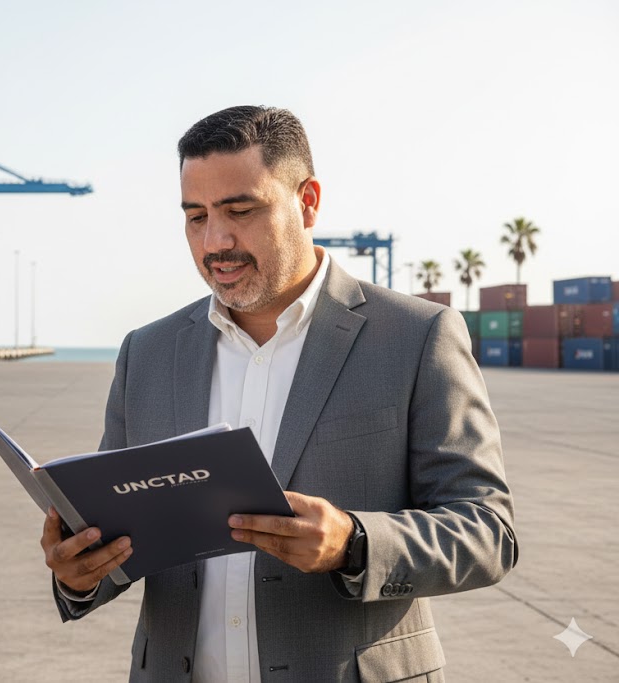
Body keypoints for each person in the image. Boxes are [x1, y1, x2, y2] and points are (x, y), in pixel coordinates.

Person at [40, 106, 517, 682]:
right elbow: (117, 531)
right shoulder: (146, 353)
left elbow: (487, 530)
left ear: (308, 201)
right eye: (196, 216)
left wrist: (354, 543)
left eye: (240, 211)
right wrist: (79, 573)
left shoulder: (417, 337)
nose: (215, 241)